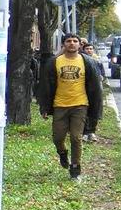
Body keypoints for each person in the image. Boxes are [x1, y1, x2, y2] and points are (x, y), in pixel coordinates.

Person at [38, 33, 103, 180]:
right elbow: (46, 86)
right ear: (63, 44)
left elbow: (95, 87)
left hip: (80, 105)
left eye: (75, 41)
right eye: (68, 41)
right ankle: (62, 153)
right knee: (58, 138)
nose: (72, 43)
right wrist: (44, 107)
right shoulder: (54, 62)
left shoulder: (87, 62)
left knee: (76, 137)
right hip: (60, 105)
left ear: (80, 45)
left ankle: (75, 168)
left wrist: (96, 110)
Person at [81, 42, 105, 142]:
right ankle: (84, 132)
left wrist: (101, 78)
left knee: (95, 109)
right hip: (84, 89)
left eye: (91, 49)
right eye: (87, 49)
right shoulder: (81, 61)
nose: (89, 51)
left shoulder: (98, 62)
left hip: (96, 89)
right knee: (84, 110)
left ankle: (91, 131)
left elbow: (102, 75)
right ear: (83, 50)